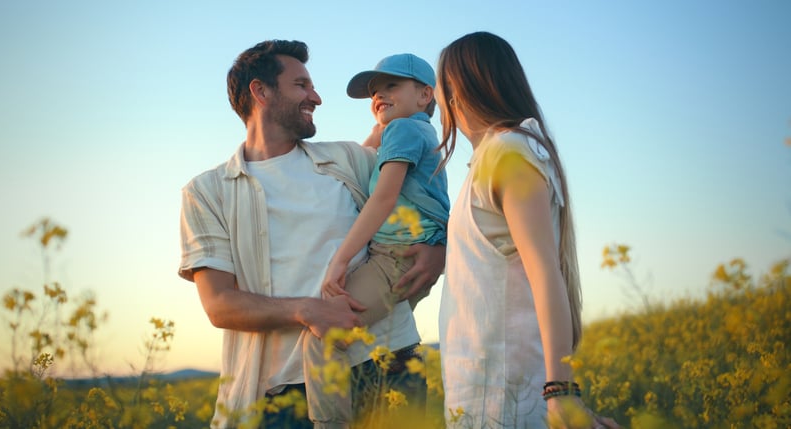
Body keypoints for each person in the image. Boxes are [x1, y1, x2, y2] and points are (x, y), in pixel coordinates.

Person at [177, 40, 445, 429]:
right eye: (301, 85)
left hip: (389, 363)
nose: (316, 97)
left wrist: (440, 248)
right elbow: (219, 305)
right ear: (261, 91)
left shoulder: (348, 159)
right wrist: (306, 310)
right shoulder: (207, 192)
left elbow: (425, 190)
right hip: (283, 390)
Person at [435, 32, 621, 429]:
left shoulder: (509, 151)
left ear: (458, 89)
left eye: (440, 88)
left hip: (507, 394)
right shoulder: (494, 157)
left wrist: (562, 395)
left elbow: (544, 272)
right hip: (483, 390)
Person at [302, 53, 450, 429]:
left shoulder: (403, 131)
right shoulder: (417, 131)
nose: (379, 95)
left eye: (391, 86)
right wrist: (383, 118)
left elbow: (384, 198)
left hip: (393, 258)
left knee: (323, 336)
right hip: (411, 256)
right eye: (374, 91)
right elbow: (369, 151)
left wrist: (340, 260)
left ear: (424, 95)